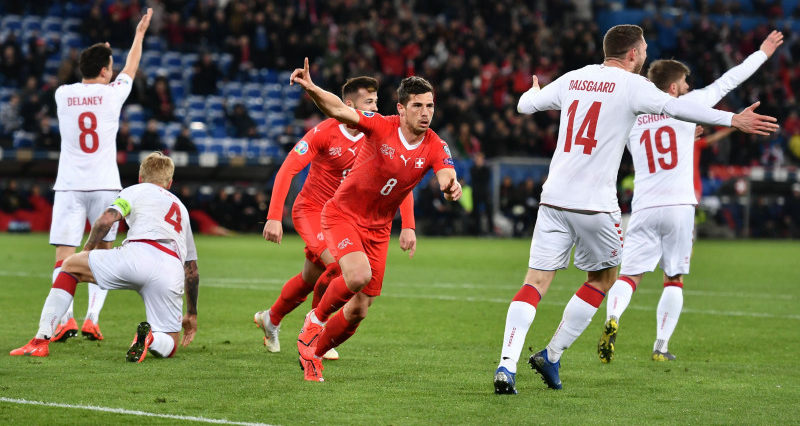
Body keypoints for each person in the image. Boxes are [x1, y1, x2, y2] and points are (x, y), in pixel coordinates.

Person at [493, 24, 778, 394]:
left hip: (554, 198)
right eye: (643, 49)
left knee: (534, 283)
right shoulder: (635, 86)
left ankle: (506, 365)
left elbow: (524, 105)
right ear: (633, 54)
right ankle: (552, 354)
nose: (645, 54)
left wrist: (532, 93)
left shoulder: (574, 77)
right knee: (603, 278)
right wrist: (732, 119)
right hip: (596, 206)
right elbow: (678, 107)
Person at [599, 30, 784, 363]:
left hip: (643, 206)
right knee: (675, 277)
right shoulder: (689, 104)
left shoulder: (634, 114)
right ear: (673, 87)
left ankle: (612, 318)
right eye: (684, 83)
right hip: (680, 206)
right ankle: (660, 347)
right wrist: (762, 53)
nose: (687, 87)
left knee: (630, 275)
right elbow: (729, 80)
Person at [290, 58, 462, 382]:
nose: (426, 113)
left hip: (379, 229)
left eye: (430, 106)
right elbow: (340, 111)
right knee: (356, 275)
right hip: (343, 214)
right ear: (401, 108)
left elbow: (446, 174)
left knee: (358, 310)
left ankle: (313, 351)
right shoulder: (380, 125)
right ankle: (315, 319)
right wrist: (312, 89)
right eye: (417, 106)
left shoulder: (436, 145)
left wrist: (452, 186)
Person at [254, 77, 416, 361]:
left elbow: (400, 180)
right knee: (343, 268)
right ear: (349, 105)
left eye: (377, 102)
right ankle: (316, 329)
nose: (375, 108)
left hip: (346, 217)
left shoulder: (378, 135)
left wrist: (409, 225)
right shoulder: (324, 133)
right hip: (313, 211)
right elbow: (287, 170)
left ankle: (271, 317)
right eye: (369, 103)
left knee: (310, 278)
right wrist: (273, 217)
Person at [11, 151, 199, 362]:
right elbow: (191, 269)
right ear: (170, 182)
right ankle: (151, 339)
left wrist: (88, 249)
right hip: (170, 268)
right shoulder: (181, 209)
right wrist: (191, 313)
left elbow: (105, 220)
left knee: (70, 265)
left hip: (137, 256)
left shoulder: (135, 190)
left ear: (140, 177)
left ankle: (40, 341)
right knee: (171, 343)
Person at [47, 8, 153, 344]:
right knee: (102, 255)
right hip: (106, 185)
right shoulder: (113, 93)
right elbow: (131, 68)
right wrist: (138, 35)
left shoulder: (63, 95)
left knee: (65, 255)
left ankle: (65, 321)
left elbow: (92, 71)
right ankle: (92, 319)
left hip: (69, 186)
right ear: (107, 71)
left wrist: (98, 56)